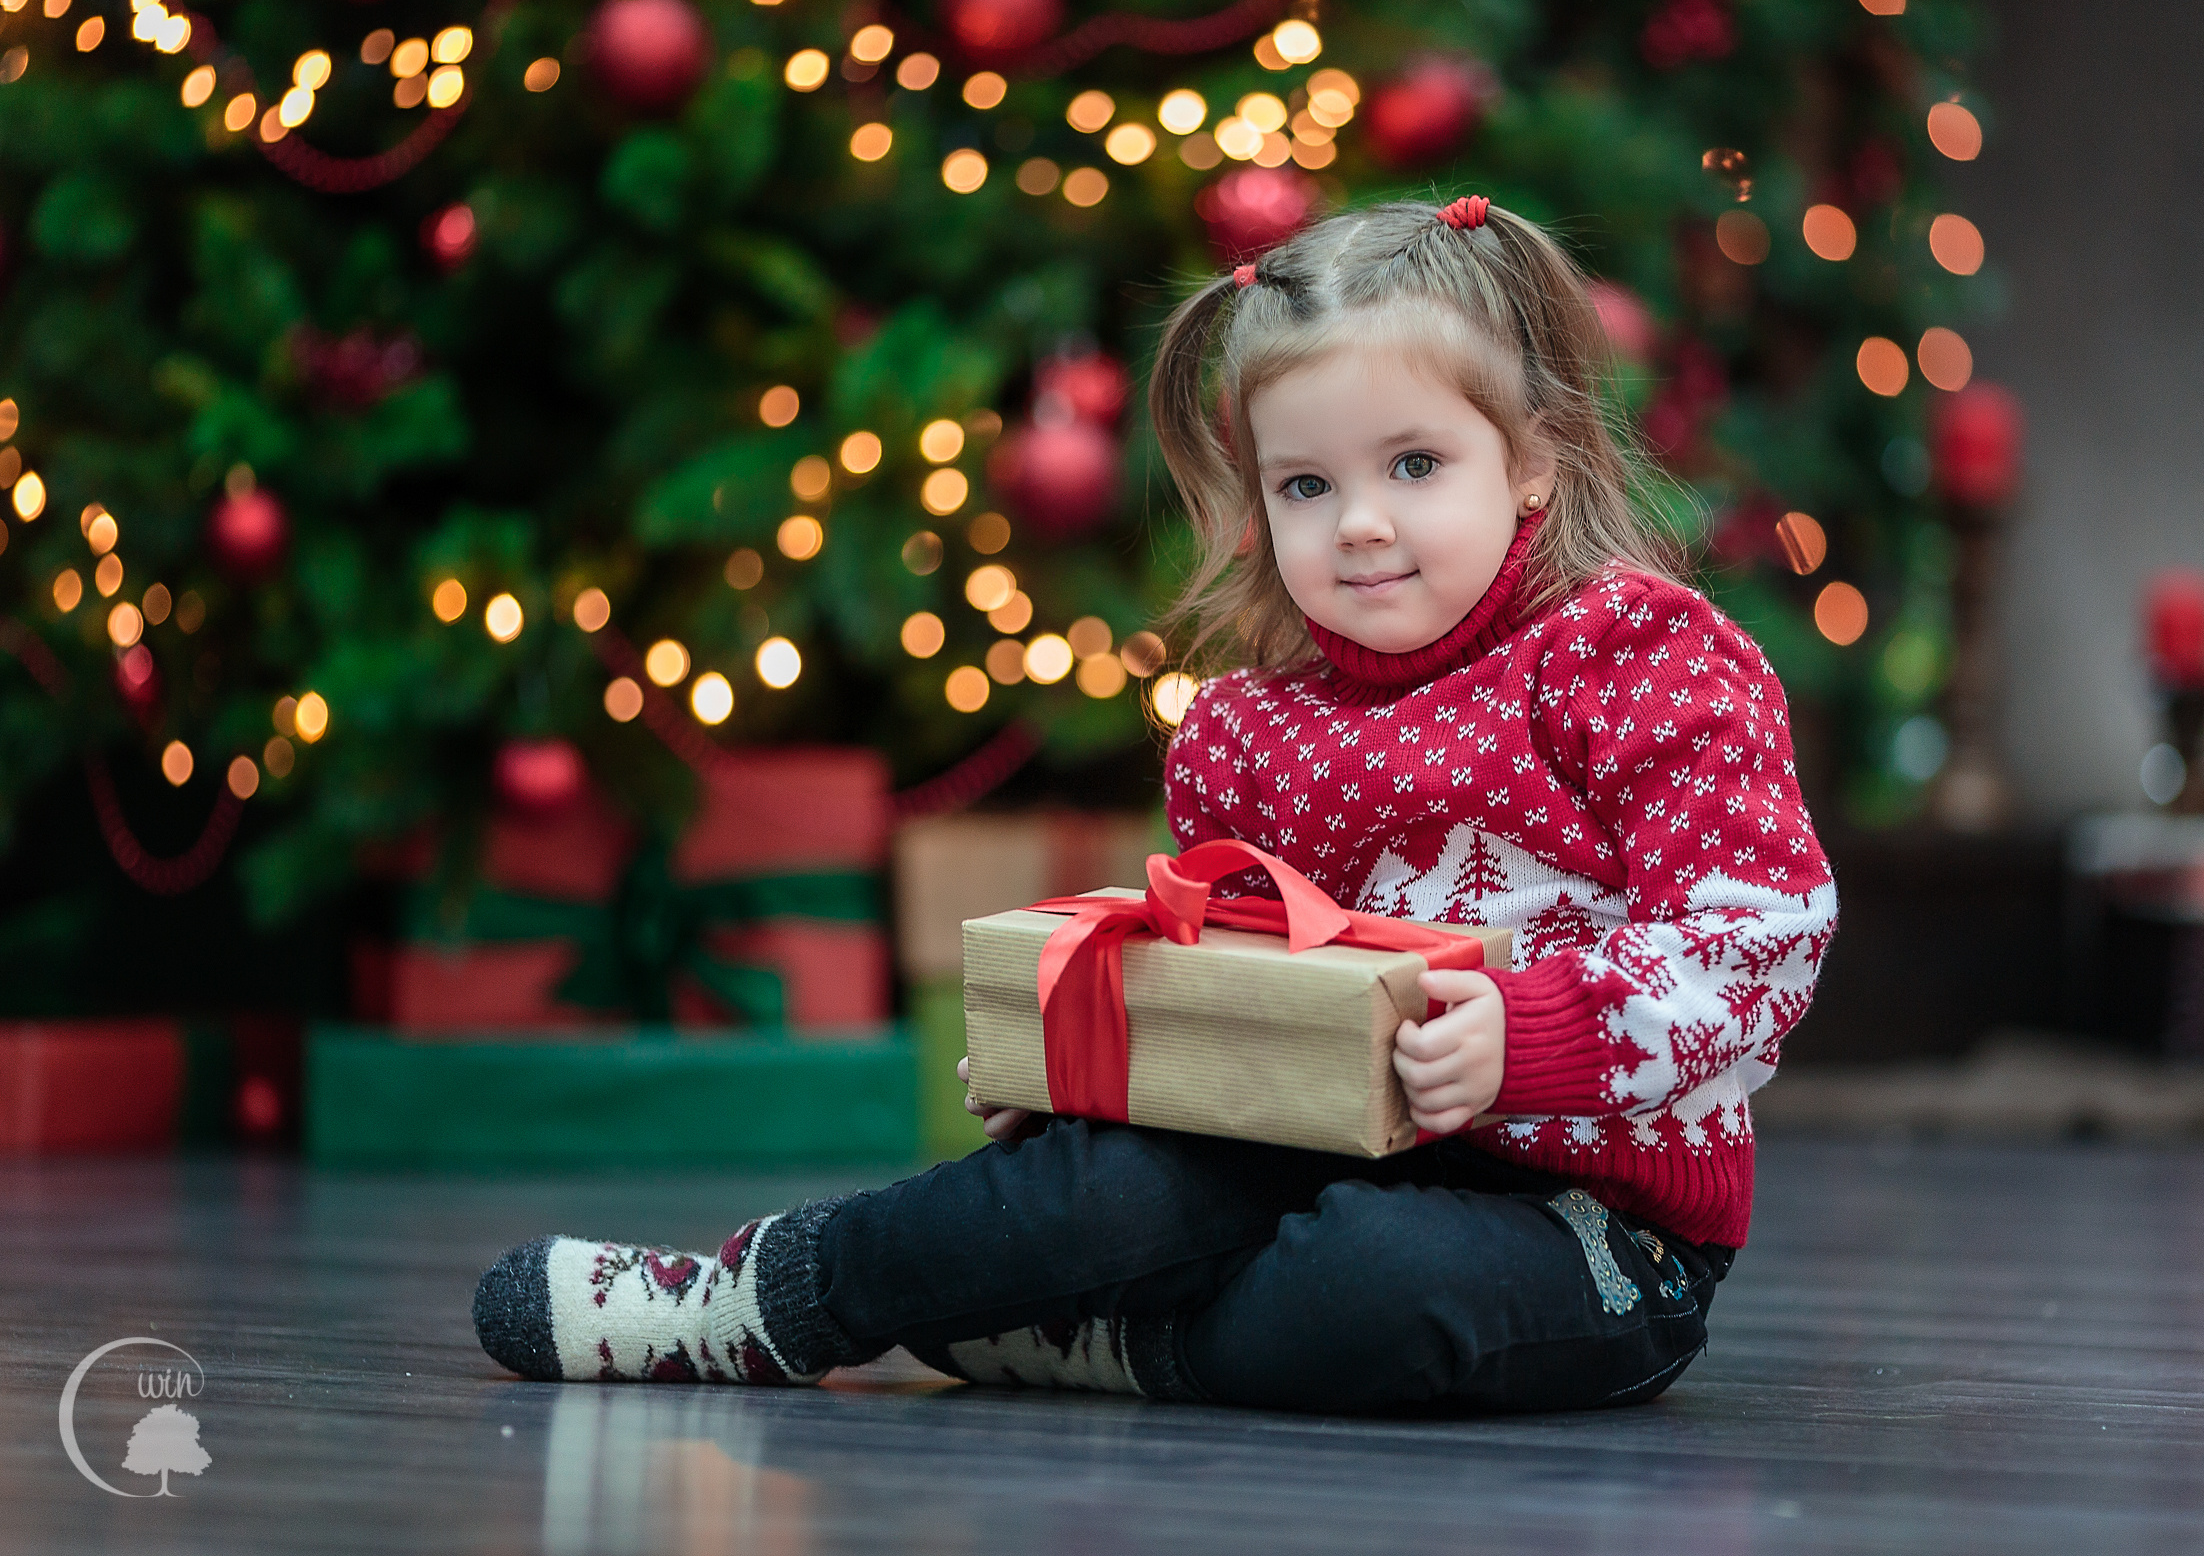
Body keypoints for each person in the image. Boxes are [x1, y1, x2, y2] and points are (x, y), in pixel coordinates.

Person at [472, 196, 1837, 1415]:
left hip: (1596, 1223)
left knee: (1376, 1281)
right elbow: (1231, 963)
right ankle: (750, 1305)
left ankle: (1107, 1344)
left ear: (1531, 462)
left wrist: (1526, 1039)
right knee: (1093, 1188)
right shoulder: (1250, 728)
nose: (1359, 523)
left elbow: (1762, 931)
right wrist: (1095, 1066)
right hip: (1302, 1148)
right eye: (1307, 485)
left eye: (1414, 466)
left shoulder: (1636, 660)